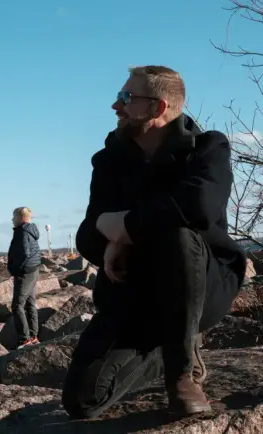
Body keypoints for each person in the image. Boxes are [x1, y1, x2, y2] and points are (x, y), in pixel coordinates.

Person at [62, 65, 247, 419]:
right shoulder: (109, 161)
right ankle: (166, 351)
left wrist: (125, 230)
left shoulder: (207, 148)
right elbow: (88, 234)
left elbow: (197, 208)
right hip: (135, 295)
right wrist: (108, 232)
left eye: (126, 98)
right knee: (81, 401)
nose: (116, 106)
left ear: (158, 108)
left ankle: (183, 374)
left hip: (201, 287)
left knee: (179, 237)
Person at [7, 207, 41, 349]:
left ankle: (25, 340)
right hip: (33, 269)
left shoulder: (22, 232)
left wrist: (15, 269)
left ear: (21, 218)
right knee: (30, 304)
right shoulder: (30, 231)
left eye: (14, 217)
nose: (12, 219)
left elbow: (25, 253)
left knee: (17, 306)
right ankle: (33, 336)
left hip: (25, 272)